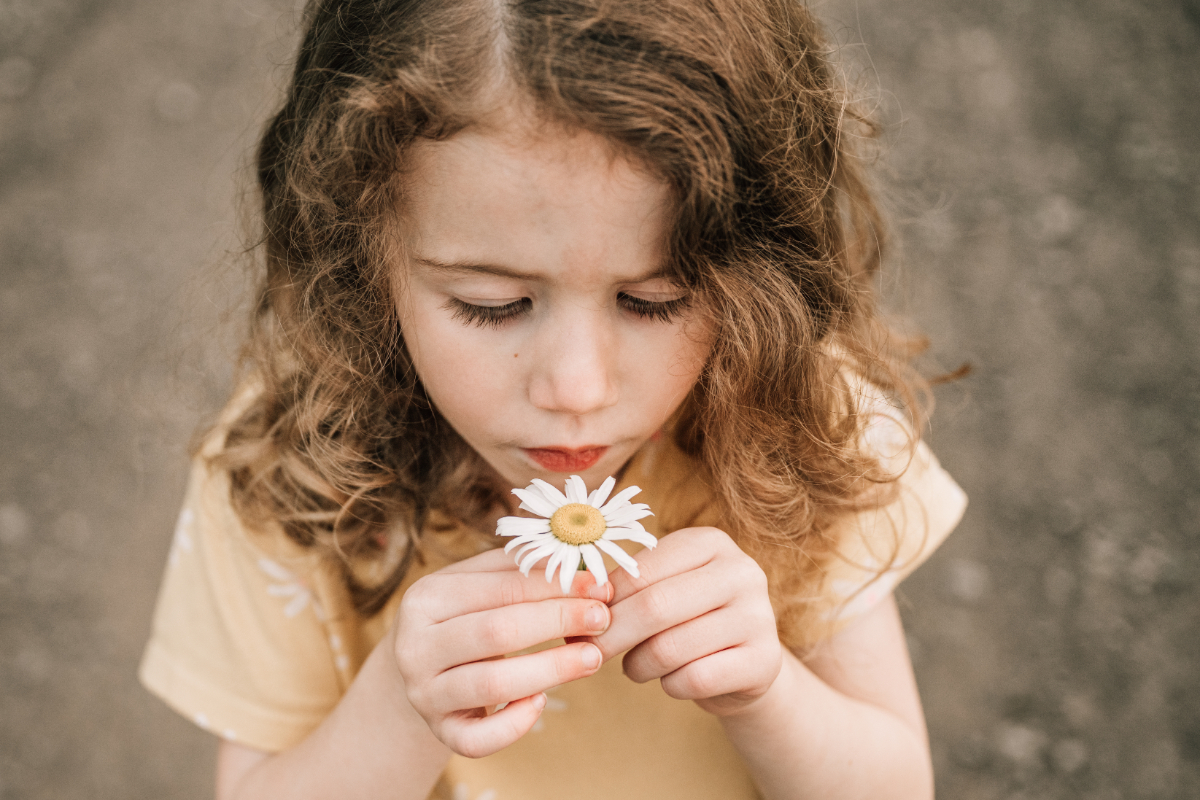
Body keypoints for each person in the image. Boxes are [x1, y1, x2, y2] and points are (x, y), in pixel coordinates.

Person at [139, 0, 968, 798]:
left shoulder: (807, 425)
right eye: (491, 305)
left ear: (757, 274)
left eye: (654, 301)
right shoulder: (286, 471)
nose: (576, 389)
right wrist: (401, 703)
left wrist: (768, 693)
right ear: (363, 258)